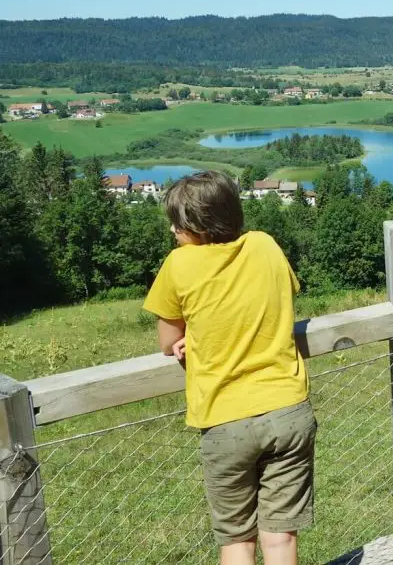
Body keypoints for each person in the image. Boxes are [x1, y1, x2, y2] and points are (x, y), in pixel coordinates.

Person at [143, 171, 316, 565]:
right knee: (280, 537)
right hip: (289, 410)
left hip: (225, 418)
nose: (173, 229)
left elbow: (168, 342)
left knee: (237, 540)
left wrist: (192, 336)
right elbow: (277, 297)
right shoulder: (264, 244)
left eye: (179, 222)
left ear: (200, 226)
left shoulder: (179, 264)